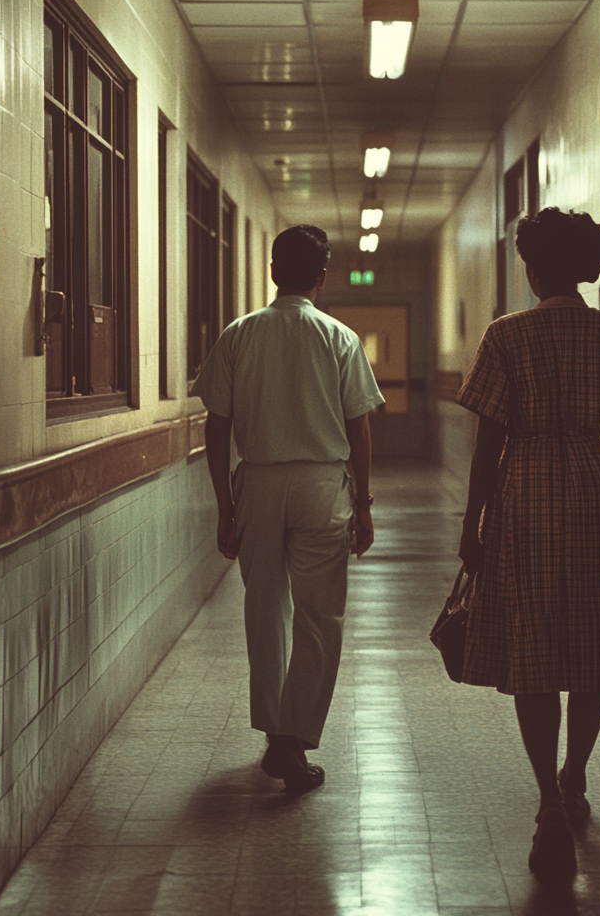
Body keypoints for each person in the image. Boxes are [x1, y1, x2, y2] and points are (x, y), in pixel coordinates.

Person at [455, 207, 600, 884]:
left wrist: (472, 525)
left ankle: (549, 802)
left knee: (535, 648)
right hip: (599, 490)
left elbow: (489, 440)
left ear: (534, 267)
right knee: (590, 645)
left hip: (526, 493)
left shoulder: (506, 335)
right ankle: (575, 774)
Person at [193, 224, 384, 794]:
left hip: (258, 482)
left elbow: (217, 426)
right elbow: (360, 427)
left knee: (265, 609)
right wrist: (365, 503)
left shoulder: (239, 335)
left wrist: (225, 507)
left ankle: (275, 731)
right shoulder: (340, 338)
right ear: (322, 277)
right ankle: (292, 740)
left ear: (273, 271)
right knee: (319, 617)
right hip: (322, 485)